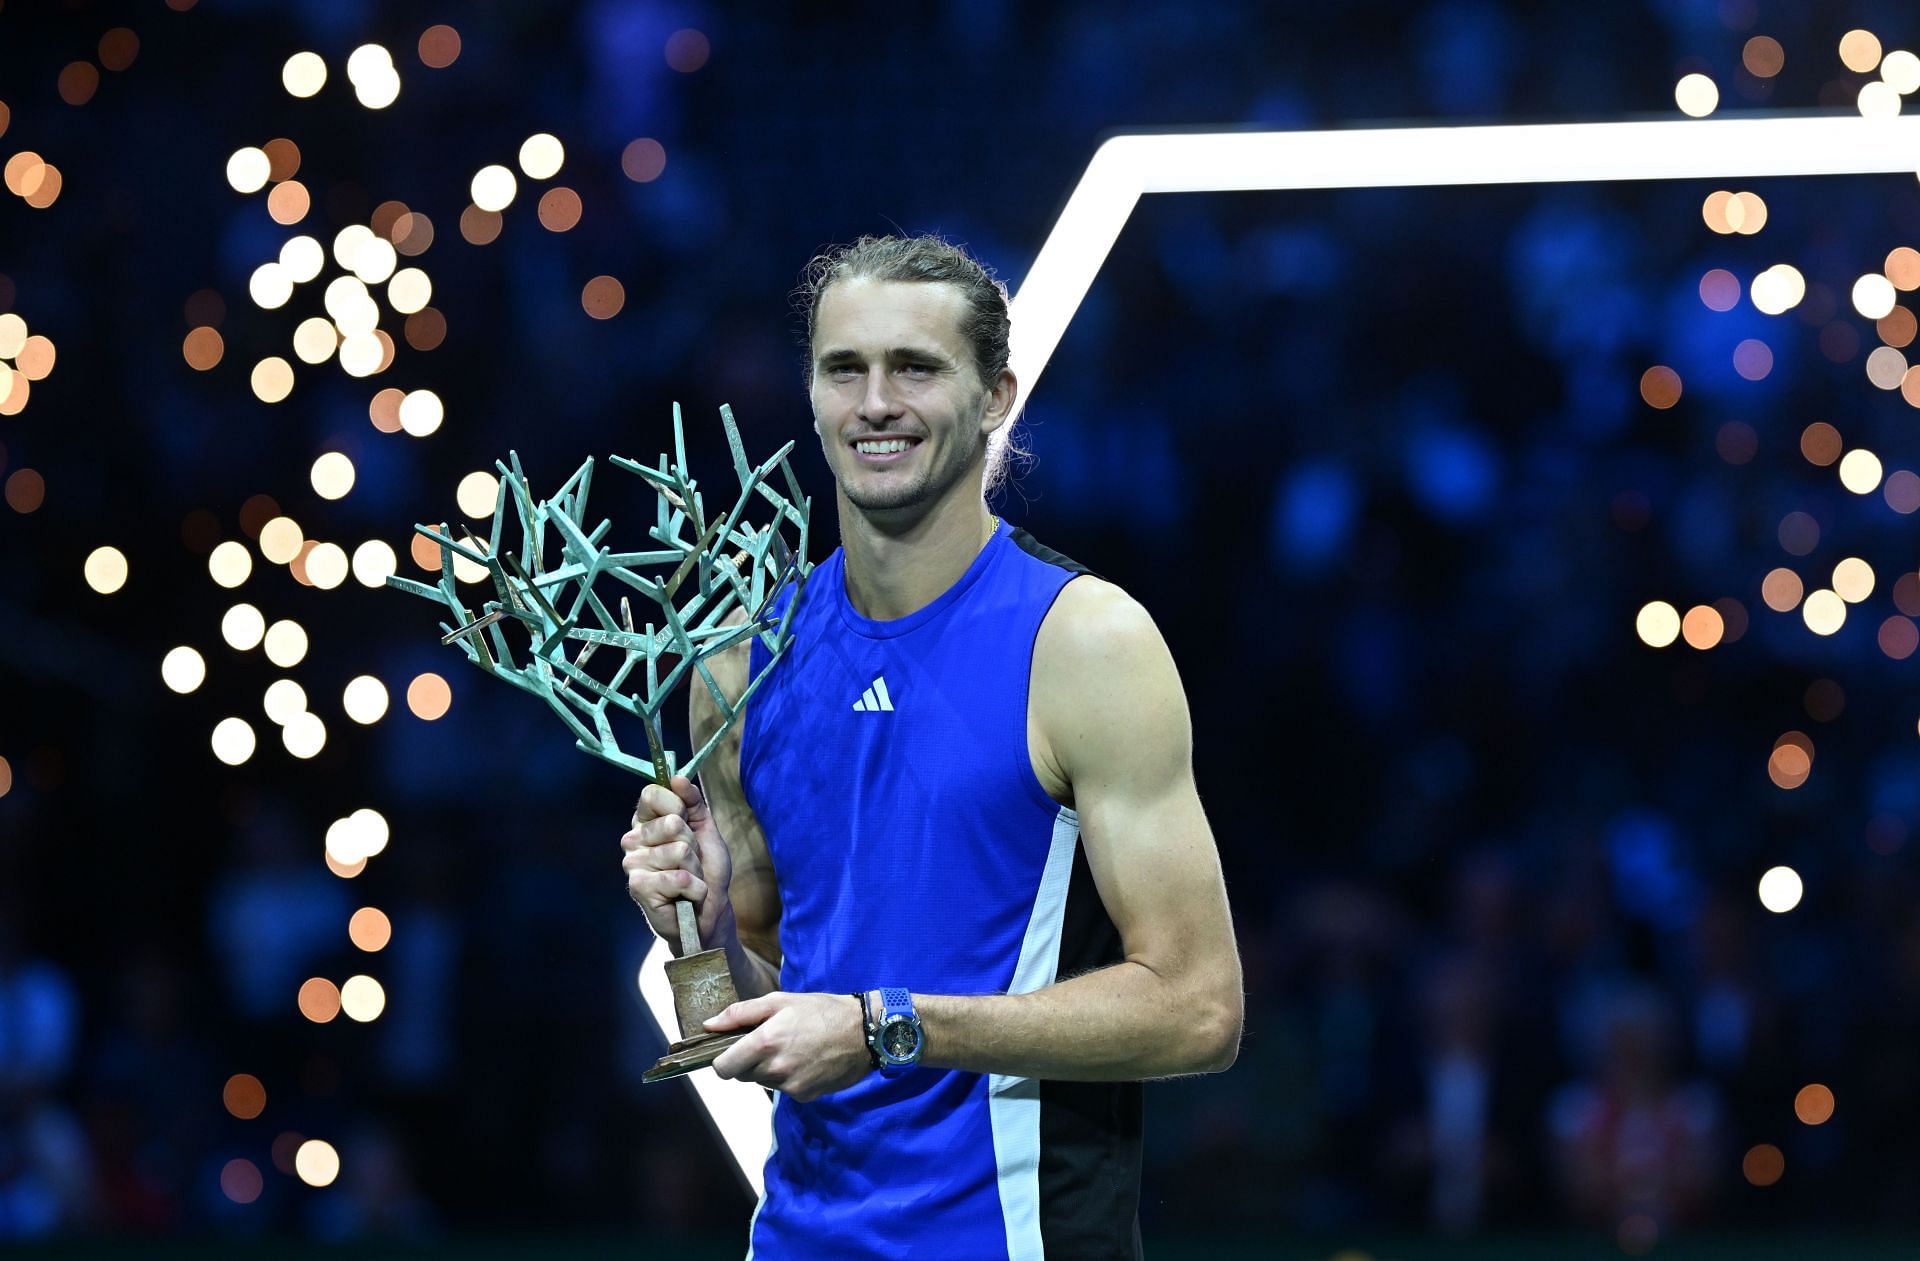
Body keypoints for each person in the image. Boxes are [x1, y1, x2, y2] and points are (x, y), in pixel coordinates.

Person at [620, 234, 1242, 1259]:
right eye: (844, 369)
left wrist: (884, 1025)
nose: (875, 403)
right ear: (813, 395)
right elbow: (731, 1025)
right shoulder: (738, 665)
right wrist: (695, 934)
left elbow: (1199, 1008)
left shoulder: (1084, 643)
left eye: (915, 367)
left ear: (996, 396)